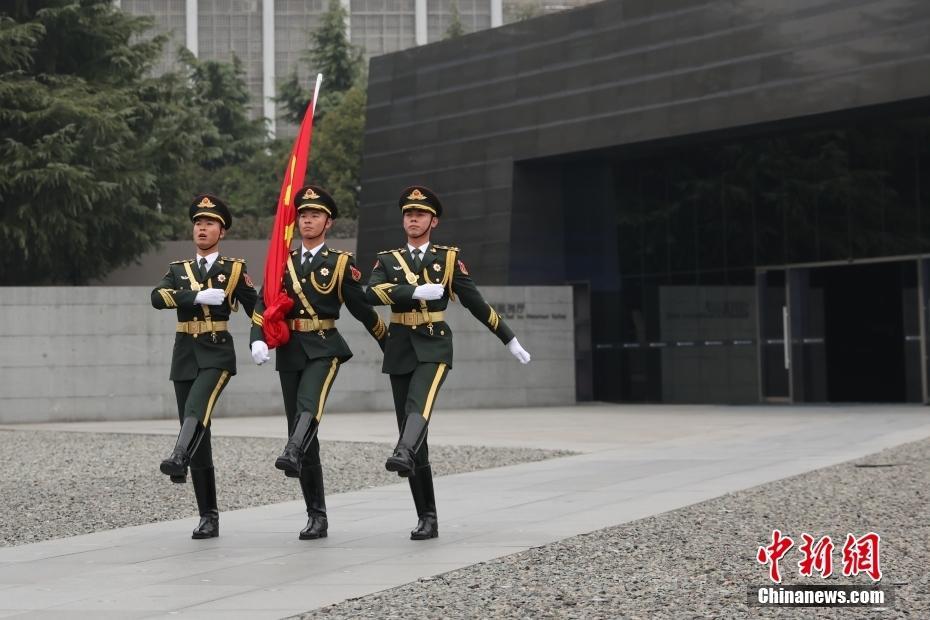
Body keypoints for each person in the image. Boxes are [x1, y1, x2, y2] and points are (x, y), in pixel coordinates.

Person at [365, 186, 532, 540]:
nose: (413, 219)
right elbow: (370, 292)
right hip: (399, 348)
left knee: (418, 406)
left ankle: (402, 450)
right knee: (413, 431)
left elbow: (476, 302)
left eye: (420, 214)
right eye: (409, 214)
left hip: (434, 345)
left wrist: (509, 338)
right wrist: (412, 292)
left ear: (433, 221)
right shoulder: (389, 259)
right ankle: (427, 516)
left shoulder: (448, 260)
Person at [249, 185, 386, 540]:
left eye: (315, 215)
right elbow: (262, 305)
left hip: (325, 347)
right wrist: (256, 340)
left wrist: (390, 342)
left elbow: (360, 308)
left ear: (328, 222)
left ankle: (291, 450)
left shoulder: (340, 263)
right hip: (290, 348)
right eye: (303, 215)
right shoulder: (284, 262)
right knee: (303, 428)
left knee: (309, 407)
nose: (307, 220)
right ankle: (316, 514)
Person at [150, 194, 258, 539]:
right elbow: (157, 297)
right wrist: (193, 296)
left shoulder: (234, 270)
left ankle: (178, 454)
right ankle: (208, 516)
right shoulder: (178, 271)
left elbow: (259, 308)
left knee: (196, 407)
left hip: (216, 353)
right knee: (199, 428)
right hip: (184, 353)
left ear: (221, 231)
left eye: (209, 223)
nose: (202, 228)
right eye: (198, 223)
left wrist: (258, 337)